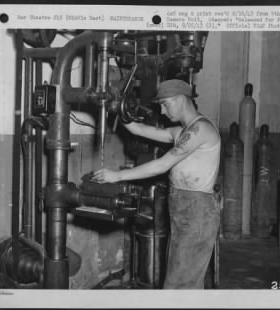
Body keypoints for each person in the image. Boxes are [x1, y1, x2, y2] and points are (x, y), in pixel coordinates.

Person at [92, 79, 221, 289]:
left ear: (180, 99)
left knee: (179, 284)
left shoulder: (201, 130)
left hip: (197, 211)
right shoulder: (181, 132)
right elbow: (138, 129)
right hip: (183, 208)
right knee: (185, 280)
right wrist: (116, 106)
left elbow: (163, 164)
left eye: (164, 103)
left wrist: (117, 176)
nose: (161, 111)